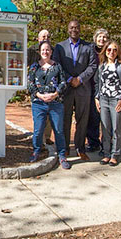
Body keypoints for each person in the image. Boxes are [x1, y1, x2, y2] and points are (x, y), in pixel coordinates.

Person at [52, 20, 98, 160]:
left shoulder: (89, 46)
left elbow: (93, 65)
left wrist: (80, 79)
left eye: (77, 27)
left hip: (83, 88)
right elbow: (57, 65)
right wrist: (70, 78)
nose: (74, 30)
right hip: (66, 88)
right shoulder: (60, 47)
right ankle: (65, 148)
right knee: (65, 119)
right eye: (72, 27)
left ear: (80, 29)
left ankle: (80, 148)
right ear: (68, 29)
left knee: (82, 120)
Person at [27, 41, 71, 169]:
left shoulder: (57, 66)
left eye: (47, 50)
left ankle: (62, 155)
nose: (45, 52)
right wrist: (40, 95)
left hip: (55, 103)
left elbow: (63, 82)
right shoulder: (34, 67)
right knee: (38, 129)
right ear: (39, 52)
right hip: (38, 103)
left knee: (58, 130)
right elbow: (30, 84)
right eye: (43, 50)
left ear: (51, 52)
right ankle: (36, 150)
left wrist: (55, 94)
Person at [94, 41, 121, 166]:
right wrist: (97, 98)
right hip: (104, 99)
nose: (111, 52)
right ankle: (106, 153)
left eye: (114, 50)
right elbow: (98, 83)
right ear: (105, 51)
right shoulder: (102, 66)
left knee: (116, 129)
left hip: (117, 100)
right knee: (105, 128)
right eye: (109, 49)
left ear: (118, 52)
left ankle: (115, 154)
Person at [26, 29, 54, 145]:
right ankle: (39, 141)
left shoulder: (53, 50)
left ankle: (47, 137)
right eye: (43, 36)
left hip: (50, 87)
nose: (45, 38)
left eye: (47, 36)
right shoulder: (32, 50)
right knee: (39, 115)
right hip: (36, 88)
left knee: (49, 115)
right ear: (38, 38)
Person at [86, 28, 108, 153]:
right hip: (91, 86)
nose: (102, 39)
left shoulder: (110, 50)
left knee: (105, 118)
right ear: (95, 38)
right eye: (99, 37)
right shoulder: (90, 49)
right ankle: (93, 142)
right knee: (93, 117)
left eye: (104, 37)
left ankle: (106, 144)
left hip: (106, 88)